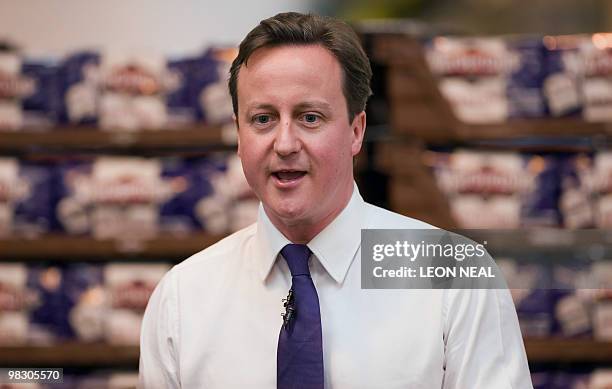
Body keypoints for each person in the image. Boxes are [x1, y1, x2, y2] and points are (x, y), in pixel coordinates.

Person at [139, 12, 533, 389]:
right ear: (239, 135)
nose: (286, 144)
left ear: (356, 131)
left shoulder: (451, 277)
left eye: (310, 117)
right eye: (263, 119)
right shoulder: (183, 298)